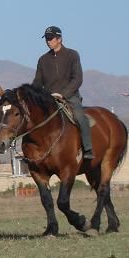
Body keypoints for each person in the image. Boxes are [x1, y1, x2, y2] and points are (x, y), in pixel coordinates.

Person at [33, 26, 94, 159]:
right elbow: (37, 82)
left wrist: (63, 94)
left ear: (59, 39)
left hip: (69, 97)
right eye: (46, 39)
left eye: (50, 38)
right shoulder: (43, 60)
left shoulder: (72, 55)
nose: (48, 41)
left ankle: (88, 149)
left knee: (79, 117)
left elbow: (77, 79)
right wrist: (32, 95)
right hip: (49, 99)